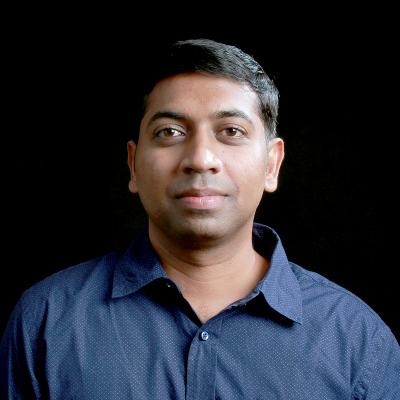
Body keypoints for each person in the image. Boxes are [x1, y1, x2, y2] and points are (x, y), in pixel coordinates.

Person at [1, 38, 399, 399]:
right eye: (170, 131)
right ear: (133, 165)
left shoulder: (357, 341)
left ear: (271, 165)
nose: (200, 159)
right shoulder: (46, 323)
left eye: (231, 131)